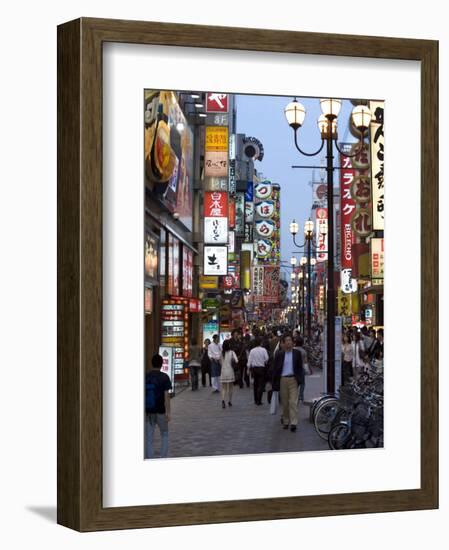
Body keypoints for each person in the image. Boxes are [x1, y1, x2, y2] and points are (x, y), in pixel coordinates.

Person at [272, 334, 304, 432]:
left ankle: (293, 422)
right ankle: (286, 421)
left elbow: (300, 367)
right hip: (283, 380)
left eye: (290, 340)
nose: (289, 342)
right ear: (283, 343)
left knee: (293, 402)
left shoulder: (297, 353)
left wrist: (299, 379)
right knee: (285, 403)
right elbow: (275, 369)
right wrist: (274, 382)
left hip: (293, 379)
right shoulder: (279, 354)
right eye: (287, 340)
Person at [145, 353, 172, 459]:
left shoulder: (146, 377)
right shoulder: (164, 377)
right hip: (161, 411)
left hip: (149, 411)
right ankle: (163, 457)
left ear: (151, 364)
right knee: (164, 434)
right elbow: (167, 397)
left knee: (149, 438)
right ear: (161, 364)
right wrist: (168, 413)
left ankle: (150, 458)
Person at [247, 337, 269, 405]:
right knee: (261, 385)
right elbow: (267, 358)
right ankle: (259, 400)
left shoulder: (252, 351)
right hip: (261, 368)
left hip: (254, 369)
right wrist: (263, 361)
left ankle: (255, 399)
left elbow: (249, 361)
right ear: (261, 343)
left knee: (255, 385)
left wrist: (248, 369)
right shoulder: (263, 350)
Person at [220, 339, 237, 408]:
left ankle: (223, 400)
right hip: (230, 371)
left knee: (223, 388)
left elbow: (220, 361)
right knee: (230, 388)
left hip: (223, 371)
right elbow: (236, 360)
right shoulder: (232, 352)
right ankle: (229, 401)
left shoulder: (221, 353)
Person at [294, 335, 308, 402]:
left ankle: (295, 395)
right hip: (301, 369)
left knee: (295, 383)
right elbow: (305, 362)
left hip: (293, 369)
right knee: (302, 383)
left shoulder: (293, 350)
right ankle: (301, 396)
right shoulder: (304, 351)